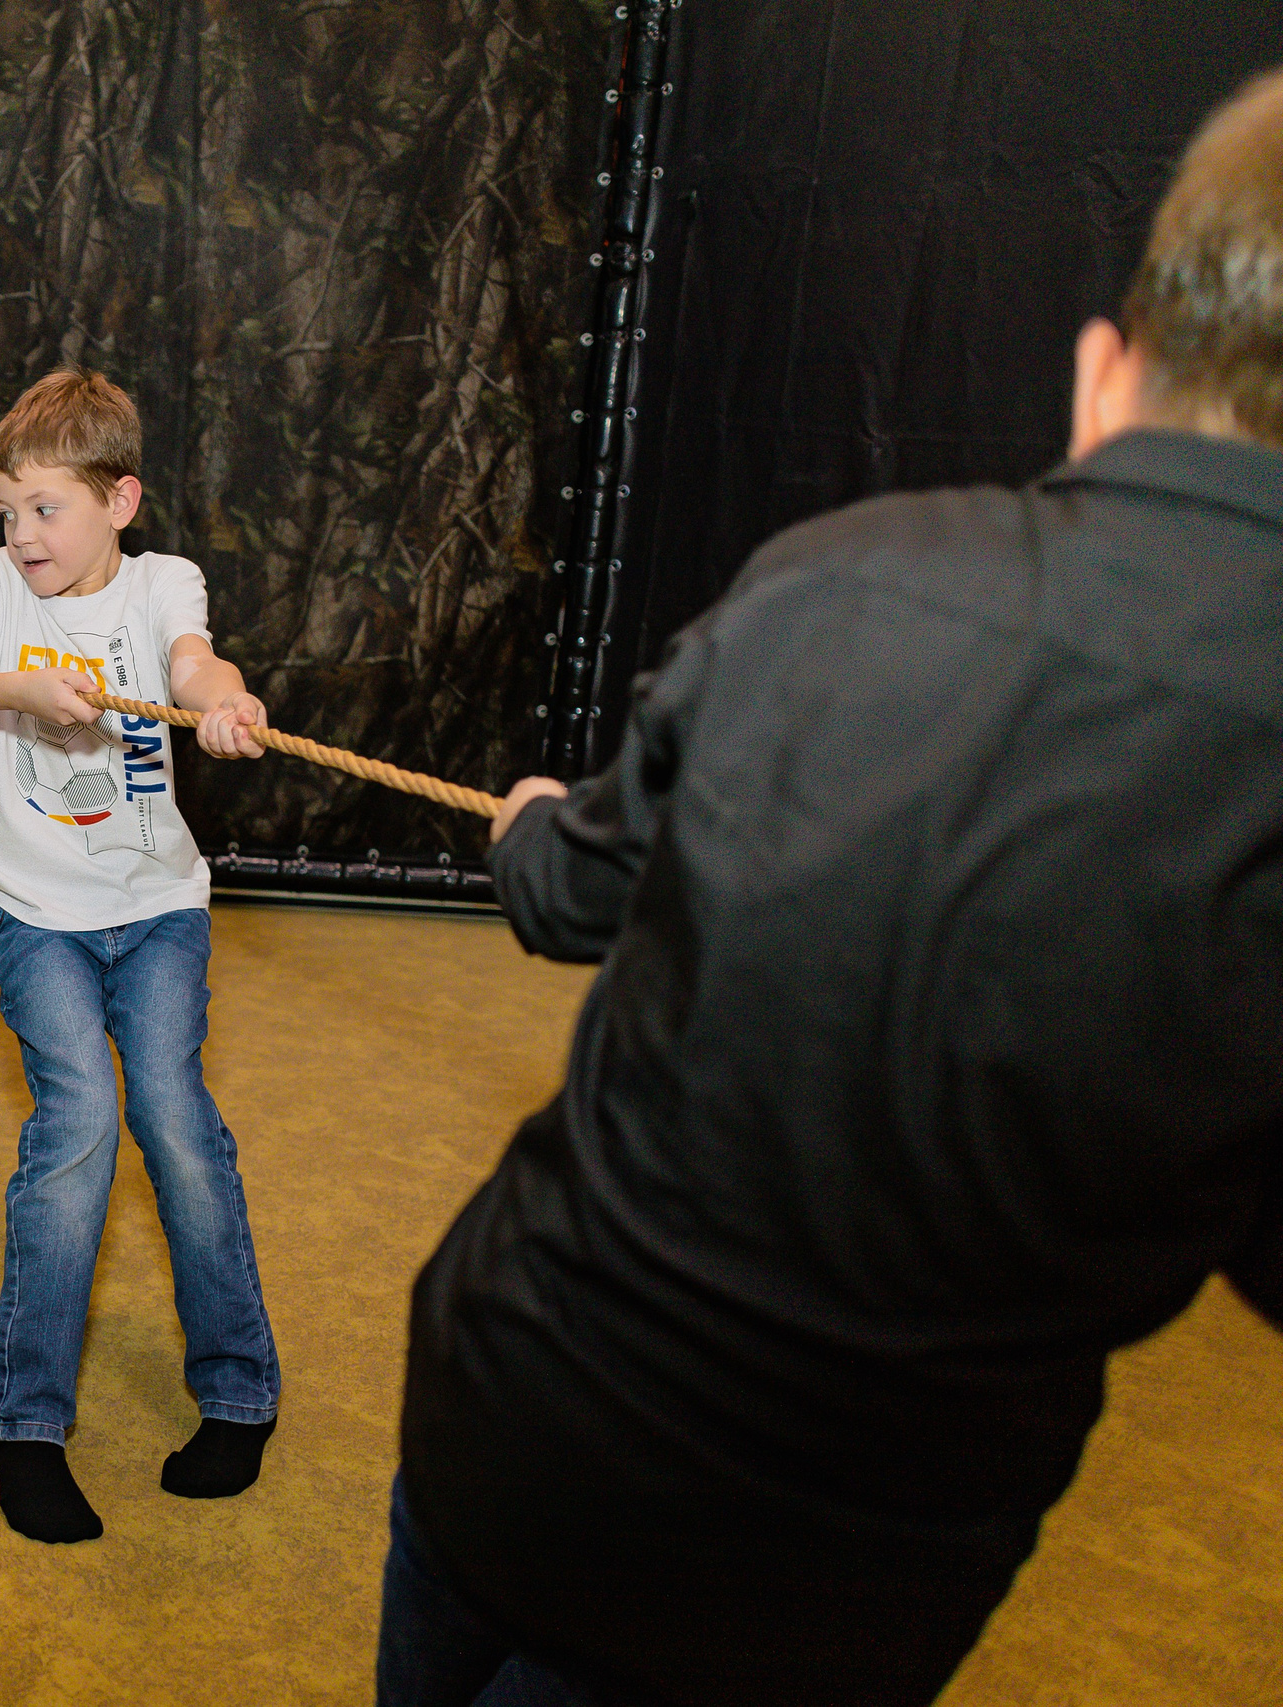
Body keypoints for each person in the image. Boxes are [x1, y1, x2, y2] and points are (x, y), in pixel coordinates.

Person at [380, 70, 1283, 1707]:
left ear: (1101, 376)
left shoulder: (835, 577)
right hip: (830, 1578)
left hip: (518, 1405)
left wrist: (530, 827)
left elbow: (569, 893)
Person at [0, 368, 283, 1544]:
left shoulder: (163, 583)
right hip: (33, 916)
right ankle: (25, 1424)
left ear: (120, 501)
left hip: (159, 911)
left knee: (174, 1119)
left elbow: (195, 663)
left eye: (46, 508)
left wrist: (226, 700)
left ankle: (239, 1394)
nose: (22, 533)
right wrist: (16, 686)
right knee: (78, 1129)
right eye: (8, 509)